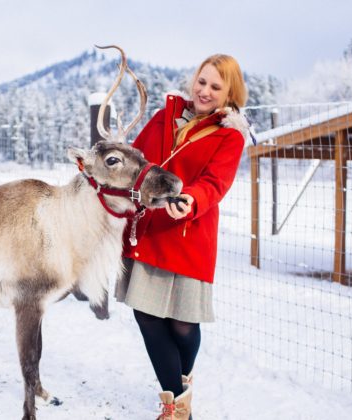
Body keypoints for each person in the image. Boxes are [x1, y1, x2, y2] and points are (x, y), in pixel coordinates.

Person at [116, 54, 250, 420]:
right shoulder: (165, 117)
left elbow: (214, 183)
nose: (204, 91)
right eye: (202, 81)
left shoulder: (230, 135)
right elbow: (136, 159)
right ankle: (176, 406)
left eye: (215, 87)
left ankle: (181, 380)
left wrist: (191, 200)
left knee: (183, 324)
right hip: (149, 230)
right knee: (146, 314)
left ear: (229, 93)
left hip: (189, 231)